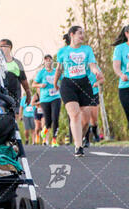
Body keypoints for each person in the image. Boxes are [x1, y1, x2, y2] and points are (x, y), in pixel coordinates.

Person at [54, 25, 103, 158]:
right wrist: (55, 82)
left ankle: (79, 138)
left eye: (83, 33)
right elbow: (59, 69)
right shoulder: (63, 51)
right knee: (75, 114)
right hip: (68, 84)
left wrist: (96, 72)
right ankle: (78, 146)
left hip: (84, 84)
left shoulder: (87, 49)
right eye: (80, 33)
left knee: (86, 120)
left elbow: (92, 65)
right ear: (72, 35)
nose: (82, 36)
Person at [33, 54, 61, 147]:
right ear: (44, 62)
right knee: (48, 121)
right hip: (45, 99)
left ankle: (54, 139)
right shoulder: (41, 73)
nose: (48, 61)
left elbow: (64, 80)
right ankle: (44, 131)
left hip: (56, 97)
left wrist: (62, 87)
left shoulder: (56, 72)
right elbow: (34, 84)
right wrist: (40, 85)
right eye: (46, 60)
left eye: (49, 60)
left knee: (55, 118)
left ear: (52, 62)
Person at [0, 39, 31, 117]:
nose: (0, 48)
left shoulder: (17, 63)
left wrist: (28, 94)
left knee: (13, 117)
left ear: (9, 48)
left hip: (14, 96)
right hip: (0, 96)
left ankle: (14, 129)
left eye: (2, 46)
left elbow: (24, 80)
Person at [112, 25, 129, 129]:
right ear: (127, 34)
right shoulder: (120, 48)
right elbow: (116, 66)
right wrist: (121, 74)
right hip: (125, 87)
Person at [83, 69, 103, 147]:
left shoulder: (95, 67)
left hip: (94, 94)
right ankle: (86, 140)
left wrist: (97, 83)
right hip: (83, 94)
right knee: (86, 119)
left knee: (94, 119)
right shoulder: (79, 67)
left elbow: (102, 79)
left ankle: (95, 132)